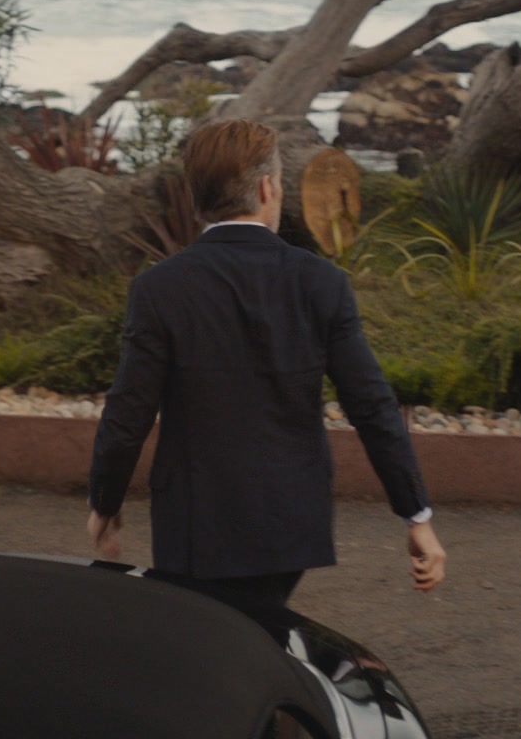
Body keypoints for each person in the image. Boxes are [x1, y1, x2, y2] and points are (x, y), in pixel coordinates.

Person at [85, 119, 446, 608]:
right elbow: (372, 405)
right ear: (267, 188)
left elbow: (128, 413)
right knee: (258, 634)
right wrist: (416, 515)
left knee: (211, 636)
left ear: (198, 199)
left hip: (194, 524)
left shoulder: (159, 288)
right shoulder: (321, 283)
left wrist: (105, 503)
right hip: (290, 522)